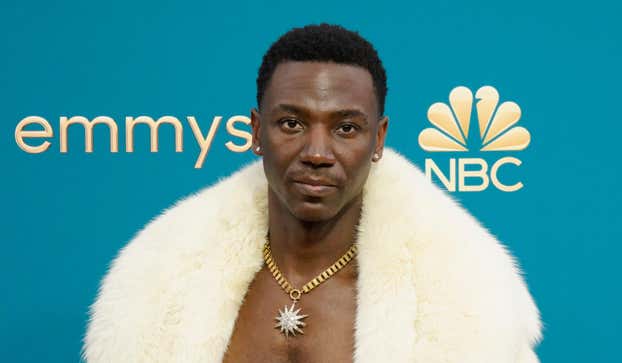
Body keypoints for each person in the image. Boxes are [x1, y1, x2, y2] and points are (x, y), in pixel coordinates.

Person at [82, 23, 542, 363]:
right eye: (291, 124)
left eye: (346, 127)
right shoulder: (164, 282)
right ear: (256, 132)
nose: (317, 153)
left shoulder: (467, 300)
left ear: (378, 140)